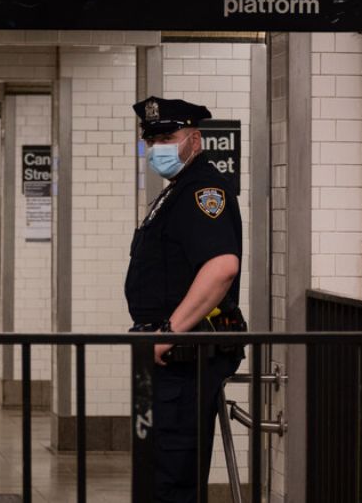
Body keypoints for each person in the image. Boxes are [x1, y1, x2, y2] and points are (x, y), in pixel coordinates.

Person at [126, 96, 247, 503]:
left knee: (172, 474)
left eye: (169, 136)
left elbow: (221, 267)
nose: (158, 146)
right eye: (152, 138)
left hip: (182, 357)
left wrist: (168, 333)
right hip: (163, 353)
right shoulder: (176, 192)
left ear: (195, 139)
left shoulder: (204, 190)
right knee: (155, 465)